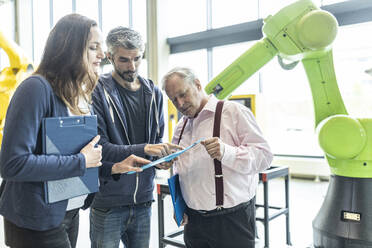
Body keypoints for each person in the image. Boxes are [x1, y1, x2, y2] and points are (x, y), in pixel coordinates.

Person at [0, 14, 148, 248]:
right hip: (37, 219)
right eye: (93, 47)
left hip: (68, 212)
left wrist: (113, 168)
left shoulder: (77, 95)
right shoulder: (35, 89)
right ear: (68, 48)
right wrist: (81, 160)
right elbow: (13, 164)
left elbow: (78, 158)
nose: (102, 55)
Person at [162, 67, 273, 248]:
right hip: (194, 223)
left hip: (231, 222)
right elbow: (181, 169)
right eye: (174, 99)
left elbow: (265, 156)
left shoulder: (233, 113)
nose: (180, 104)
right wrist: (179, 205)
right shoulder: (181, 126)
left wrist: (227, 153)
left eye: (183, 94)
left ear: (197, 84)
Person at [91, 26, 181, 248]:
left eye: (137, 59)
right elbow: (99, 147)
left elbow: (157, 139)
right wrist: (146, 149)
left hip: (143, 200)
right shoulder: (97, 91)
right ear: (110, 57)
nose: (132, 66)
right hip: (108, 201)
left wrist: (161, 158)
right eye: (123, 60)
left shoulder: (154, 93)